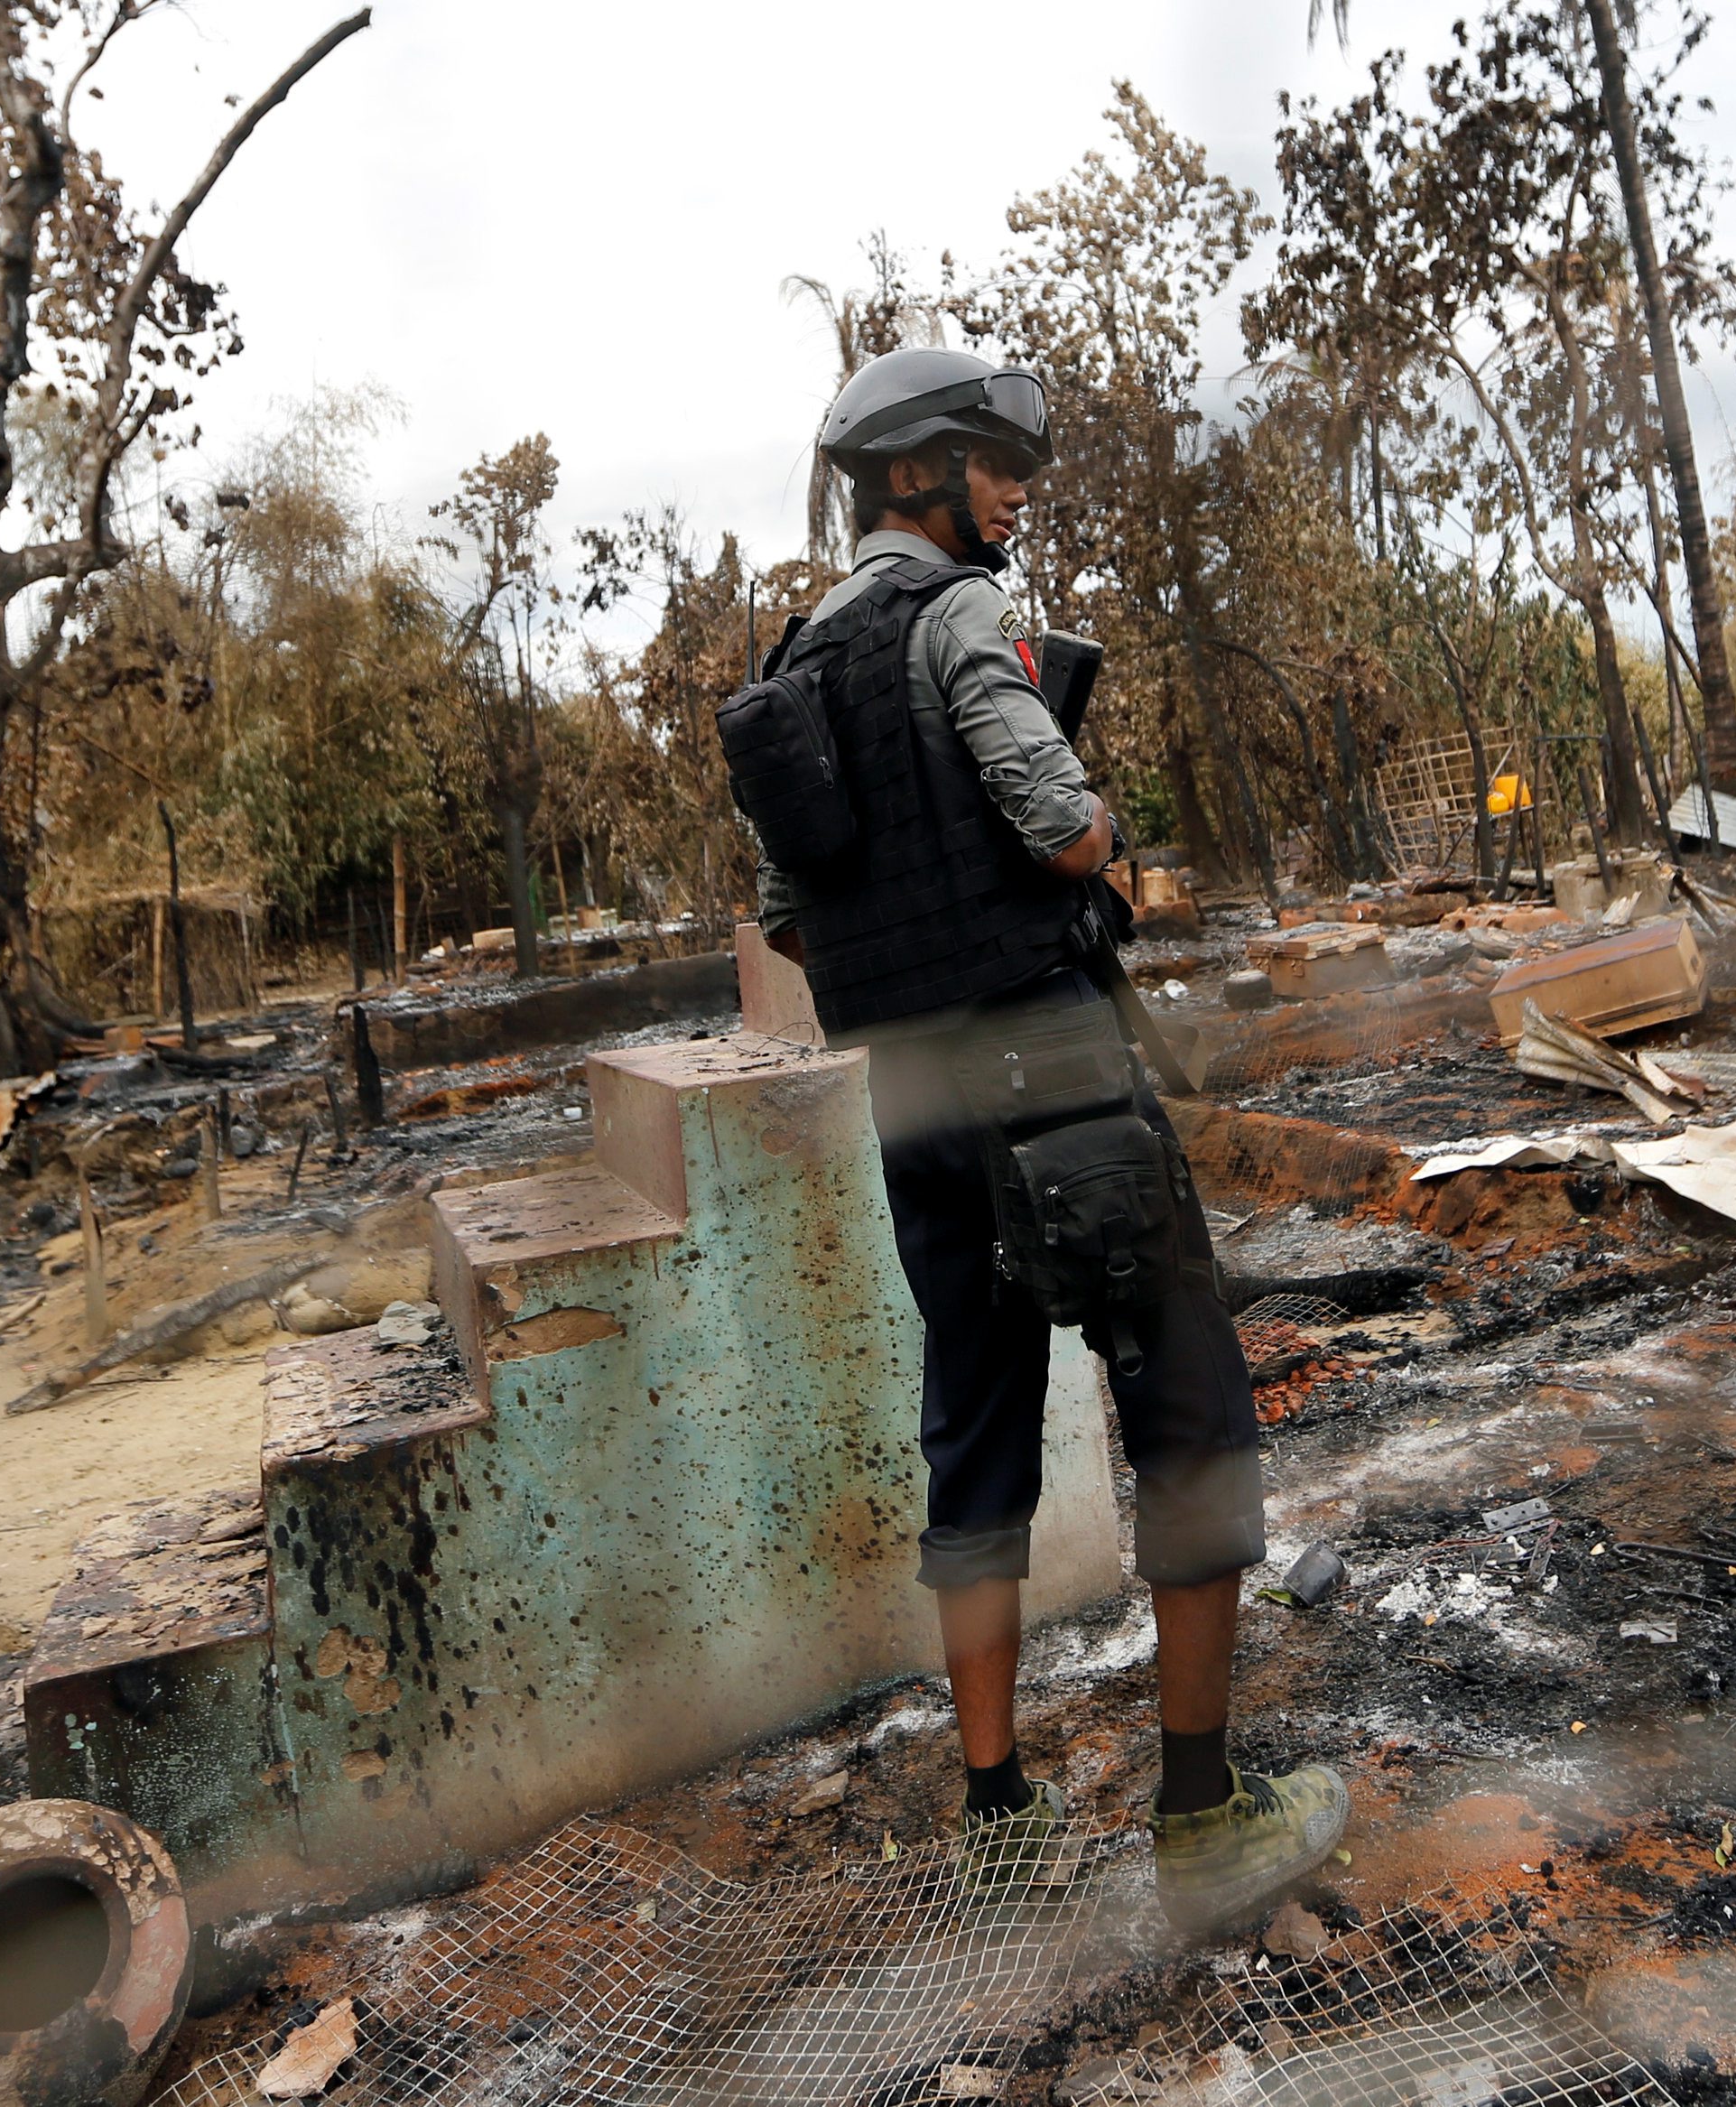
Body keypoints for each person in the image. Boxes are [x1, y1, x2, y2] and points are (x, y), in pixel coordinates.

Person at [748, 347, 1344, 1932]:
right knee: (1190, 1405)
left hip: (915, 1098)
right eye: (992, 462)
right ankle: (1203, 1812)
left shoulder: (794, 662)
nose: (1015, 490)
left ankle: (998, 1813)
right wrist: (1100, 839)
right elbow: (1064, 825)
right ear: (913, 476)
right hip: (1055, 1074)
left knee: (975, 1420)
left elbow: (790, 922)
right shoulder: (958, 619)